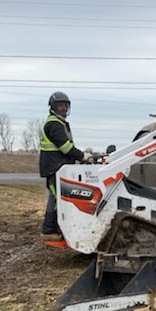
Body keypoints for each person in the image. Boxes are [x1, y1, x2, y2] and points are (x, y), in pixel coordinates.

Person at [39, 91, 91, 241]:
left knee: (57, 199)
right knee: (57, 200)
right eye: (60, 105)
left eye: (65, 106)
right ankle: (49, 230)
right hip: (54, 169)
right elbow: (65, 147)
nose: (63, 108)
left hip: (58, 168)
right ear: (53, 107)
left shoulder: (59, 123)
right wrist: (82, 157)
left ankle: (57, 228)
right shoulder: (54, 124)